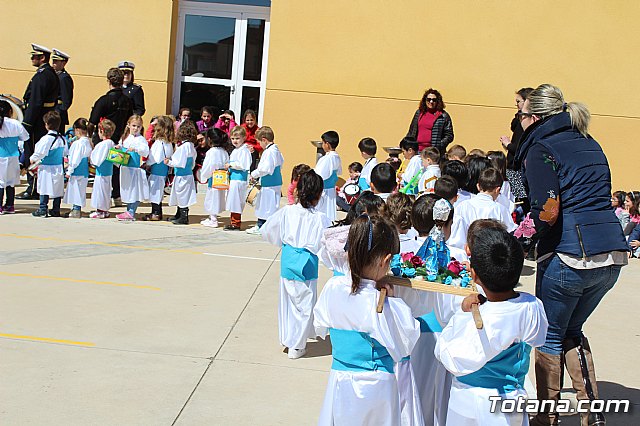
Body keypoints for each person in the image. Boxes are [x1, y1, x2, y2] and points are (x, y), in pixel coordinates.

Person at [515, 84, 629, 426]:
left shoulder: (541, 147)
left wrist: (519, 241)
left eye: (520, 114)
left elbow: (547, 209)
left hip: (571, 253)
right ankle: (592, 414)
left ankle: (545, 417)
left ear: (533, 117)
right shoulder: (589, 141)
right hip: (610, 254)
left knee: (549, 334)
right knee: (572, 331)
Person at [435, 227, 548, 426]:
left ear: (474, 275)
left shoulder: (478, 319)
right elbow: (537, 338)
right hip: (512, 398)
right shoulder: (532, 305)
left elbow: (450, 357)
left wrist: (462, 314)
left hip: (471, 400)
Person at [314, 215, 420, 425]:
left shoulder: (332, 288)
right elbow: (404, 345)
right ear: (385, 260)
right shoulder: (381, 304)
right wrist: (393, 301)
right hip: (374, 385)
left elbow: (319, 325)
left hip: (340, 379)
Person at [262, 170, 331, 359]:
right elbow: (325, 243)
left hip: (289, 259)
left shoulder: (287, 211)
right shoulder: (319, 218)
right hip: (307, 262)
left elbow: (268, 230)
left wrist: (283, 243)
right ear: (318, 195)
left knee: (289, 301)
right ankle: (297, 345)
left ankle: (288, 338)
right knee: (305, 304)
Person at [18, 44, 61, 200]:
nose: (32, 59)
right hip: (44, 116)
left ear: (42, 58)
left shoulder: (42, 76)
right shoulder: (50, 74)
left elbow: (35, 102)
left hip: (36, 120)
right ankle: (36, 187)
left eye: (34, 56)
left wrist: (27, 124)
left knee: (32, 153)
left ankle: (33, 188)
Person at [89, 68, 134, 207]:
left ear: (109, 81)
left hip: (103, 138)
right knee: (115, 167)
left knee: (102, 168)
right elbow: (129, 120)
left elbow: (92, 122)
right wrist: (123, 136)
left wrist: (90, 139)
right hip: (117, 138)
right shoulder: (127, 100)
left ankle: (103, 199)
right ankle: (116, 195)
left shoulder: (104, 101)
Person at [448, 168, 516, 250]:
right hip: (491, 255)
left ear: (478, 186)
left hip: (465, 253)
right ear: (498, 190)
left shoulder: (462, 206)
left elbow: (455, 233)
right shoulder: (500, 209)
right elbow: (510, 233)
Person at [246, 126, 284, 235]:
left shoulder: (269, 152)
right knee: (271, 205)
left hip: (269, 183)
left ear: (264, 140)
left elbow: (265, 168)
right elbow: (281, 162)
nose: (259, 145)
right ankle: (267, 226)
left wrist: (254, 174)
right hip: (274, 181)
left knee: (265, 206)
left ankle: (261, 226)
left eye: (259, 142)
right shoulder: (276, 149)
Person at [30, 111, 67, 217]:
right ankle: (56, 209)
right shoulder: (62, 139)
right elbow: (65, 153)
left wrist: (32, 159)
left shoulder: (46, 139)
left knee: (44, 188)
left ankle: (43, 208)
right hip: (58, 167)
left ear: (46, 125)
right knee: (57, 188)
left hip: (46, 168)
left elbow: (39, 153)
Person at [115, 115, 149, 221]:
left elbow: (145, 151)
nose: (135, 128)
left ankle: (131, 211)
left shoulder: (141, 139)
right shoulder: (125, 137)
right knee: (127, 189)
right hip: (125, 167)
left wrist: (136, 149)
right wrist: (119, 147)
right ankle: (128, 210)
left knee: (134, 190)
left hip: (134, 169)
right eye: (134, 126)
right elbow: (121, 145)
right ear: (128, 125)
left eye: (138, 126)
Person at [0, 101, 29, 214]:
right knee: (10, 182)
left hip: (1, 156)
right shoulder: (15, 123)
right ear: (10, 111)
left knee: (0, 182)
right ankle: (10, 205)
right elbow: (25, 137)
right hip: (13, 156)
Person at [165, 122, 197, 225]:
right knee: (181, 194)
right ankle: (178, 214)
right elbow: (192, 162)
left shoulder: (183, 147)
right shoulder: (191, 145)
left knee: (181, 194)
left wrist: (169, 162)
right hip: (188, 174)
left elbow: (179, 162)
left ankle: (183, 217)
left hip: (182, 175)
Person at [406, 88, 454, 153]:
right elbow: (411, 131)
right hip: (417, 150)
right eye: (429, 99)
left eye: (434, 100)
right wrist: (405, 144)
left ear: (438, 101)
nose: (431, 102)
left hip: (433, 153)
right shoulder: (419, 113)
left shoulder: (443, 115)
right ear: (425, 100)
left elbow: (449, 135)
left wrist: (438, 145)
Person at [145, 116, 175, 221]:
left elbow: (154, 157)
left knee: (155, 192)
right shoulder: (169, 143)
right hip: (163, 171)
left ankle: (156, 213)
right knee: (158, 191)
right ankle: (157, 212)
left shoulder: (159, 143)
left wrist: (147, 163)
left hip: (156, 171)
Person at [63, 118, 93, 218]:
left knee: (75, 190)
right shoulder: (88, 142)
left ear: (78, 130)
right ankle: (76, 208)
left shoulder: (78, 144)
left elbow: (75, 159)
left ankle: (76, 210)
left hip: (77, 170)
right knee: (80, 190)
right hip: (84, 170)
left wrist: (69, 171)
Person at [200, 128, 230, 228]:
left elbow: (209, 166)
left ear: (209, 139)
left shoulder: (211, 152)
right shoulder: (224, 151)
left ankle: (213, 219)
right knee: (218, 197)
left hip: (214, 177)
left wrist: (204, 175)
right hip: (222, 177)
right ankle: (212, 217)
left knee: (212, 197)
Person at [224, 126, 252, 231]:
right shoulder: (236, 150)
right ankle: (233, 221)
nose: (235, 141)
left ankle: (236, 223)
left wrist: (231, 165)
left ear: (244, 138)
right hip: (234, 178)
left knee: (236, 201)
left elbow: (244, 165)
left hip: (239, 179)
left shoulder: (244, 150)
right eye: (233, 139)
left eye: (237, 138)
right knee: (233, 200)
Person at [500, 87, 534, 170]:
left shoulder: (528, 122)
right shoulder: (519, 120)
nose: (516, 105)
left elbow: (521, 148)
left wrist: (508, 144)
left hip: (517, 167)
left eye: (518, 102)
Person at [89, 119, 116, 219]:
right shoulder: (111, 143)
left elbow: (96, 159)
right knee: (106, 191)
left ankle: (100, 210)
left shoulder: (102, 145)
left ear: (101, 131)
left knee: (100, 191)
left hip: (101, 172)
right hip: (108, 171)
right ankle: (105, 209)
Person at [314, 130, 342, 221]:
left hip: (324, 191)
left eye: (322, 143)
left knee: (322, 214)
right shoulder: (336, 157)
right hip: (330, 190)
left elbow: (319, 175)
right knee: (329, 213)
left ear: (327, 144)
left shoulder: (327, 159)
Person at [51, 49, 73, 134]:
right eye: (53, 60)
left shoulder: (64, 78)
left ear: (63, 63)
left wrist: (58, 112)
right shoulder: (54, 75)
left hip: (58, 113)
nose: (53, 63)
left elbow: (67, 100)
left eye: (56, 61)